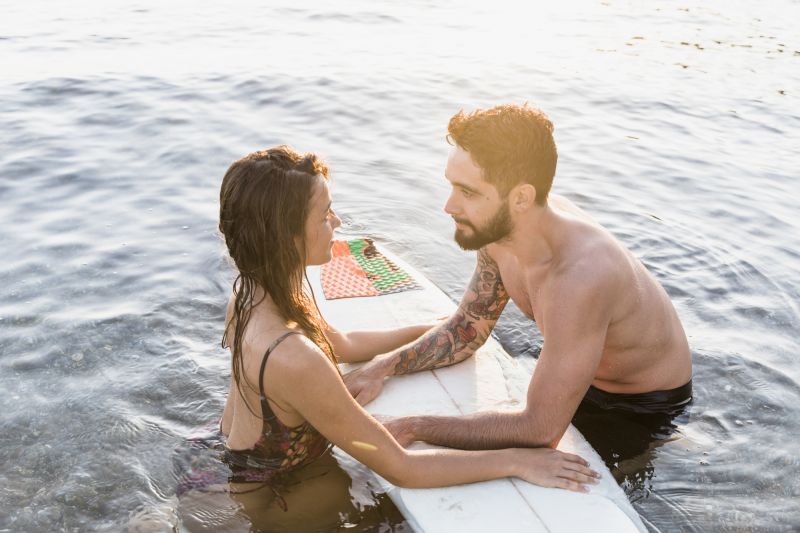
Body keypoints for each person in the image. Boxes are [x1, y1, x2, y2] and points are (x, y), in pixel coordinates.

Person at [175, 145, 598, 532]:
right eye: (324, 216)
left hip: (219, 461)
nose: (337, 223)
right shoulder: (294, 359)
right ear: (287, 238)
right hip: (269, 501)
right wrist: (518, 461)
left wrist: (436, 327)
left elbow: (341, 343)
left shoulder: (249, 294)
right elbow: (402, 468)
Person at [344, 104, 693, 473]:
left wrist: (415, 426)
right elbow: (467, 330)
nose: (449, 206)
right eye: (451, 186)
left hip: (641, 408)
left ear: (521, 198)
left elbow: (540, 431)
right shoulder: (498, 231)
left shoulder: (580, 276)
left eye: (468, 192)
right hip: (581, 372)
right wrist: (381, 367)